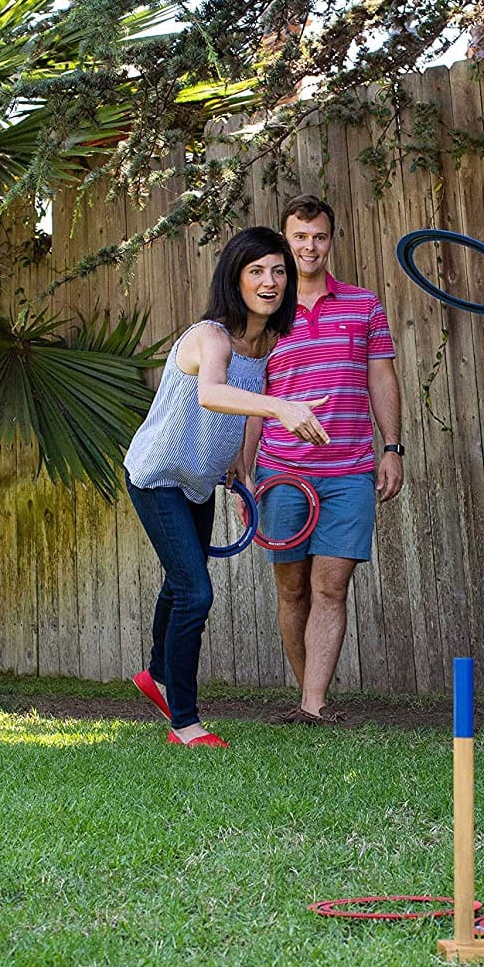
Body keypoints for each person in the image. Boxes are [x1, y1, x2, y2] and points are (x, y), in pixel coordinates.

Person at [124, 226, 330, 747]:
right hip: (158, 476)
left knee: (179, 582)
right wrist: (282, 408)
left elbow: (242, 405)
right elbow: (214, 393)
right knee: (195, 591)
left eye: (279, 271)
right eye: (256, 271)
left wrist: (242, 463)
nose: (271, 281)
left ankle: (154, 674)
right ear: (234, 279)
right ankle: (185, 724)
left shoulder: (266, 342)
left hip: (200, 480)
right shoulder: (210, 336)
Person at [245, 194, 404, 725]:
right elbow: (250, 397)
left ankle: (314, 705)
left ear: (330, 241)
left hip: (350, 470)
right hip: (281, 472)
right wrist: (244, 469)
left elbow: (381, 375)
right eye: (299, 237)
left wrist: (392, 447)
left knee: (331, 586)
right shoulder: (266, 311)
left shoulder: (364, 304)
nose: (309, 247)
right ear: (285, 242)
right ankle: (305, 694)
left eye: (319, 237)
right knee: (292, 590)